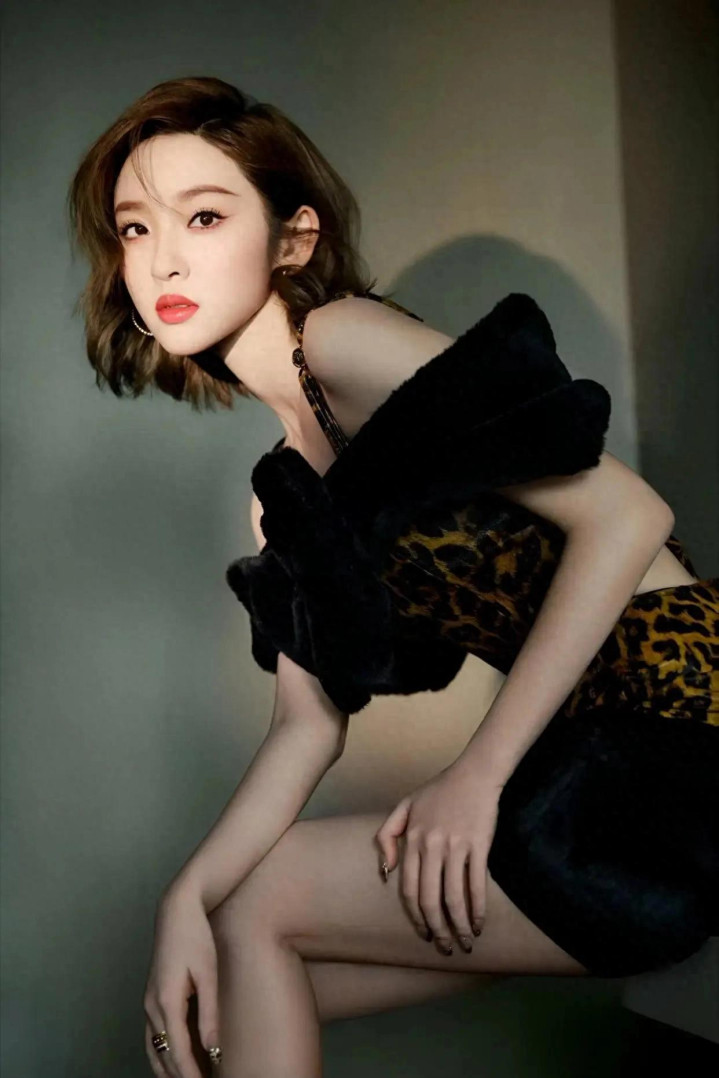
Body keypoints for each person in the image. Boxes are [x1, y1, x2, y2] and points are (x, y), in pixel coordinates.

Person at [67, 75, 719, 1078]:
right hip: (578, 767)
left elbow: (629, 515)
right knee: (225, 992)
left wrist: (475, 776)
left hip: (679, 742)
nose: (164, 259)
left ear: (293, 239)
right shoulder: (281, 498)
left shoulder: (342, 342)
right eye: (135, 229)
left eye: (203, 216)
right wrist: (180, 899)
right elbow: (306, 728)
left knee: (264, 903)